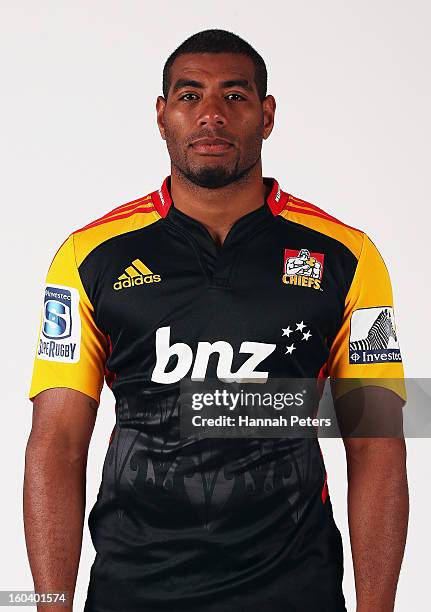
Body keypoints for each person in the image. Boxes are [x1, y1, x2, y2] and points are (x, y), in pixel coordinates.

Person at [25, 29, 408, 612]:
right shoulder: (87, 257)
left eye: (234, 96)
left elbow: (376, 441)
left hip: (295, 588)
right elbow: (56, 441)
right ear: (161, 116)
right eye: (189, 96)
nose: (211, 115)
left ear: (267, 114)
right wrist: (51, 605)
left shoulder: (349, 257)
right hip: (134, 589)